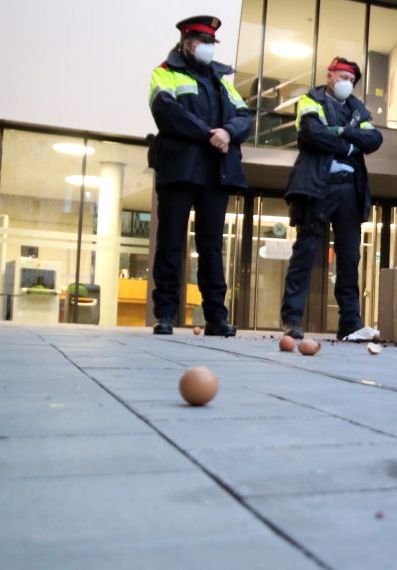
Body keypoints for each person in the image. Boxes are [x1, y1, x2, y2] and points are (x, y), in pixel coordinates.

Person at [148, 15, 251, 336]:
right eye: (203, 43)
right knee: (171, 243)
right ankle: (165, 314)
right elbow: (167, 112)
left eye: (211, 43)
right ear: (187, 43)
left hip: (214, 173)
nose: (208, 48)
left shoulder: (222, 80)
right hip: (179, 169)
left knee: (211, 246)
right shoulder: (164, 73)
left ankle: (215, 318)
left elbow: (244, 115)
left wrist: (229, 131)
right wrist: (212, 134)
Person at [280, 57, 383, 340]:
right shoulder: (309, 100)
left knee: (349, 257)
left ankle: (350, 323)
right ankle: (292, 320)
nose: (346, 83)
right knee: (305, 253)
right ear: (329, 76)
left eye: (351, 80)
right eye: (342, 77)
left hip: (350, 189)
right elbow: (313, 135)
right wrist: (352, 145)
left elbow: (374, 141)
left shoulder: (356, 109)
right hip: (317, 186)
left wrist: (341, 131)